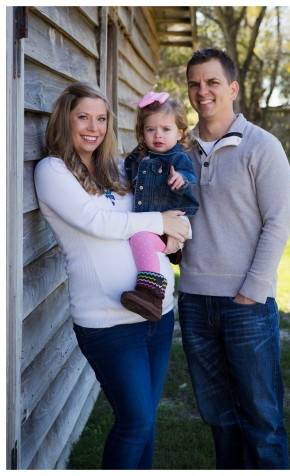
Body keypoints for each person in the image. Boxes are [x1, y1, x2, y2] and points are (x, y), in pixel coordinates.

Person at [34, 82, 191, 469]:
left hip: (157, 312)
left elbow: (153, 210)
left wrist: (173, 230)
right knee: (134, 421)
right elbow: (96, 221)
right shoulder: (52, 170)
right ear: (64, 121)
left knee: (147, 423)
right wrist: (160, 220)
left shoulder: (118, 168)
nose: (93, 127)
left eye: (101, 118)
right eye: (83, 117)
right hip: (107, 321)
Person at [176, 48, 290, 469]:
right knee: (219, 419)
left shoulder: (262, 146)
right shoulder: (180, 150)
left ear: (232, 88)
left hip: (245, 304)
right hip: (192, 300)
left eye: (211, 82)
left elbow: (277, 224)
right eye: (194, 83)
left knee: (261, 421)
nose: (201, 91)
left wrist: (251, 292)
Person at [120, 91, 199, 321]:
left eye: (166, 129)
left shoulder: (177, 159)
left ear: (180, 133)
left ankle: (151, 295)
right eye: (150, 129)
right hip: (152, 221)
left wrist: (181, 180)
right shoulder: (138, 158)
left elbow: (189, 177)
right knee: (137, 236)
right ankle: (171, 253)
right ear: (142, 132)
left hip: (172, 223)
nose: (158, 135)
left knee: (140, 239)